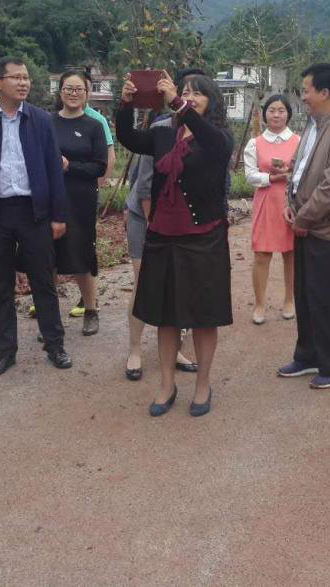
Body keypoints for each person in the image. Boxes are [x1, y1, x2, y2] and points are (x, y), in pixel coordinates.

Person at [117, 71, 234, 417]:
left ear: (211, 101)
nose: (189, 97)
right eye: (185, 91)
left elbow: (213, 143)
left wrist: (179, 104)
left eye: (197, 93)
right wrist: (126, 104)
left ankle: (203, 385)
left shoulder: (218, 136)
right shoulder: (164, 132)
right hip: (162, 236)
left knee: (203, 316)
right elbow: (128, 138)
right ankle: (167, 384)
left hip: (204, 238)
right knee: (165, 315)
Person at [0, 57, 72, 376]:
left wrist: (58, 215)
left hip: (34, 212)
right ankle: (5, 351)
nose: (23, 83)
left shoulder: (40, 120)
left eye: (26, 78)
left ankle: (55, 344)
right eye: (16, 77)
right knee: (2, 286)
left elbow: (53, 170)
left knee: (43, 281)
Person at [277, 63, 330, 390]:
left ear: (325, 93)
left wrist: (302, 218)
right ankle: (308, 354)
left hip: (328, 231)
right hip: (306, 225)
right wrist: (290, 204)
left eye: (306, 90)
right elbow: (298, 170)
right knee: (305, 295)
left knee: (326, 299)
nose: (303, 97)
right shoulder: (313, 125)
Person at [122, 151, 199, 380]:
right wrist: (153, 227)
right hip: (145, 216)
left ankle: (173, 350)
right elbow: (145, 187)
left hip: (181, 218)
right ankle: (135, 350)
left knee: (176, 284)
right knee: (143, 281)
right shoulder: (158, 137)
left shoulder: (205, 137)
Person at [51, 70, 109, 336]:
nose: (73, 93)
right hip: (50, 198)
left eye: (79, 89)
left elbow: (99, 167)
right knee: (48, 257)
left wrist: (69, 166)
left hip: (81, 200)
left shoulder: (94, 126)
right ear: (60, 91)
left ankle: (91, 310)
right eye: (68, 88)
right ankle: (50, 315)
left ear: (87, 94)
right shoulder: (47, 123)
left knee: (81, 255)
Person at [244, 94, 301, 325]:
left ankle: (289, 300)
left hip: (292, 201)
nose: (276, 115)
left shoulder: (299, 141)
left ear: (288, 114)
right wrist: (270, 177)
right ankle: (259, 304)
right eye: (272, 110)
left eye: (281, 110)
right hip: (266, 200)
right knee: (261, 253)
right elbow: (250, 175)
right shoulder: (255, 143)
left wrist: (289, 175)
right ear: (265, 114)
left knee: (291, 253)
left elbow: (305, 171)